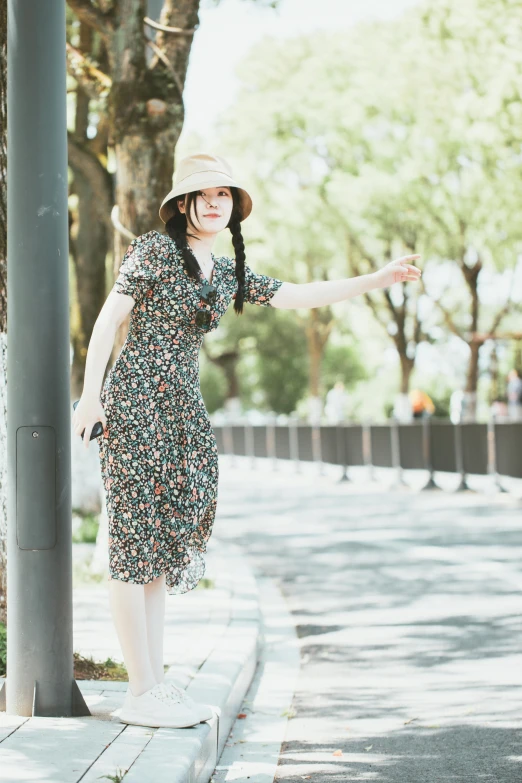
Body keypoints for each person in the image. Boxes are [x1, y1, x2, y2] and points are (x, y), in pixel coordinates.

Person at [72, 151, 422, 728]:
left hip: (183, 410)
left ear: (233, 209)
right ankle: (141, 689)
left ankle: (152, 685)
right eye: (204, 195)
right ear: (182, 203)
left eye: (224, 196)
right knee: (134, 546)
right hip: (136, 402)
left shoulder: (227, 272)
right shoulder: (155, 251)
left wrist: (378, 279)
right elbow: (110, 320)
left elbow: (298, 294)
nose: (214, 204)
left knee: (158, 549)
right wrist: (90, 397)